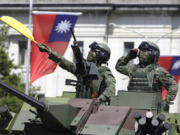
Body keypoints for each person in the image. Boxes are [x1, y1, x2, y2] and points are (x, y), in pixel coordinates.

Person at [38, 41, 116, 103]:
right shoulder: (84, 69)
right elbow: (65, 62)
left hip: (96, 110)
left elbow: (111, 88)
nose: (89, 53)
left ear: (100, 54)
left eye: (92, 51)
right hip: (79, 105)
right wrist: (50, 52)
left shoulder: (105, 72)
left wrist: (99, 99)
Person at [115, 41, 178, 111]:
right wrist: (129, 57)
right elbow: (119, 66)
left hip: (151, 109)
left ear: (153, 53)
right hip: (131, 106)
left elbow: (173, 85)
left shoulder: (158, 71)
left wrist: (166, 100)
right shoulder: (133, 69)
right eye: (141, 50)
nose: (141, 52)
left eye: (144, 50)